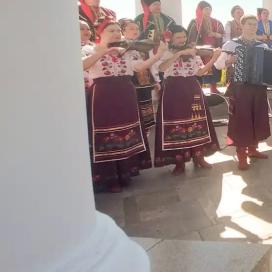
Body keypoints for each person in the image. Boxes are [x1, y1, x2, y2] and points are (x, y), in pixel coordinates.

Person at [82, 21, 166, 192]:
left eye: (118, 30)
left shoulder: (127, 51)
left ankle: (126, 172)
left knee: (126, 131)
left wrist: (159, 55)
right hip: (102, 96)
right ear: (100, 34)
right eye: (111, 30)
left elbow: (139, 67)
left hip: (126, 93)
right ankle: (110, 177)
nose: (116, 33)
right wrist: (104, 50)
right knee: (107, 133)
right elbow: (82, 65)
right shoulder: (89, 49)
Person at [155, 26, 222, 174]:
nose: (182, 40)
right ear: (171, 38)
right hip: (173, 90)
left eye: (184, 37)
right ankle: (179, 161)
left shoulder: (193, 53)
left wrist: (214, 58)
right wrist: (179, 53)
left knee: (197, 122)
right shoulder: (165, 52)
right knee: (176, 124)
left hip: (192, 88)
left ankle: (199, 157)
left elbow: (200, 71)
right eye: (178, 37)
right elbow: (161, 68)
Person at [214, 15, 272, 170]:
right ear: (242, 25)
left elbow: (268, 66)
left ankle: (253, 150)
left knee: (257, 118)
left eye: (255, 25)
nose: (252, 27)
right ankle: (241, 155)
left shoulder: (263, 46)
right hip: (239, 87)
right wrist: (229, 61)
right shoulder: (231, 44)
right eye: (249, 24)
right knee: (241, 120)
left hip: (258, 88)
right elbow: (218, 65)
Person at [120, 19, 159, 132]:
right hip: (130, 84)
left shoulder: (143, 46)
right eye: (131, 28)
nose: (135, 31)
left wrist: (155, 80)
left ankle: (145, 137)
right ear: (123, 31)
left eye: (137, 28)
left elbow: (149, 65)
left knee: (146, 115)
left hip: (144, 84)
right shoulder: (121, 46)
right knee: (133, 112)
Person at [188, 1, 225, 93]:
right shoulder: (195, 22)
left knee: (214, 68)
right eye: (205, 9)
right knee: (199, 69)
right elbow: (190, 37)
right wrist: (193, 47)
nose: (208, 11)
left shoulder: (217, 23)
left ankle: (213, 88)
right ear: (200, 10)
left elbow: (223, 35)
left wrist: (215, 34)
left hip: (214, 49)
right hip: (200, 51)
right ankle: (199, 89)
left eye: (209, 9)